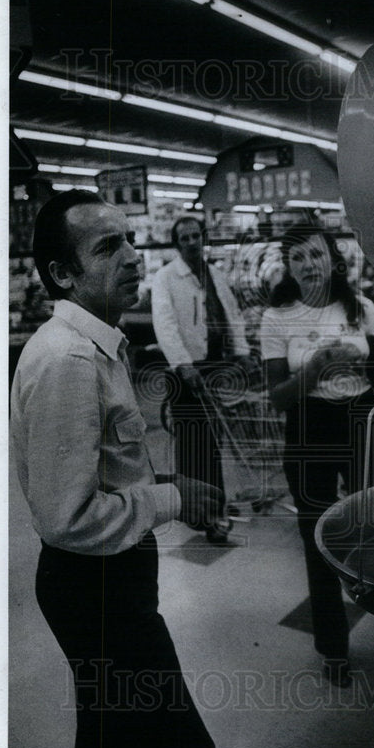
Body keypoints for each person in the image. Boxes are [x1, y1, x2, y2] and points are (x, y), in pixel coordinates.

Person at [10, 190, 242, 748]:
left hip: (111, 579)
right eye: (106, 247)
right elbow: (66, 518)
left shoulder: (96, 346)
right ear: (62, 275)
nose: (131, 256)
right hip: (96, 589)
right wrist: (171, 498)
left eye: (128, 239)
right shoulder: (68, 360)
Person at [260, 220, 374, 688]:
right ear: (288, 266)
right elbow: (278, 396)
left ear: (333, 260)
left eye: (315, 254)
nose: (307, 265)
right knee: (319, 538)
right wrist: (316, 368)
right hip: (308, 427)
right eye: (297, 257)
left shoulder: (361, 308)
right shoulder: (277, 317)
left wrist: (365, 362)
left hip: (363, 420)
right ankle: (333, 648)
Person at [151, 215, 255, 544]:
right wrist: (183, 364)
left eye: (196, 236)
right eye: (185, 238)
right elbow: (164, 324)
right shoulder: (166, 278)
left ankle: (216, 505)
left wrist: (242, 351)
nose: (192, 242)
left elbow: (232, 314)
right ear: (176, 243)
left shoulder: (215, 275)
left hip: (214, 366)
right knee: (195, 443)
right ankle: (201, 512)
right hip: (185, 372)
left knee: (214, 442)